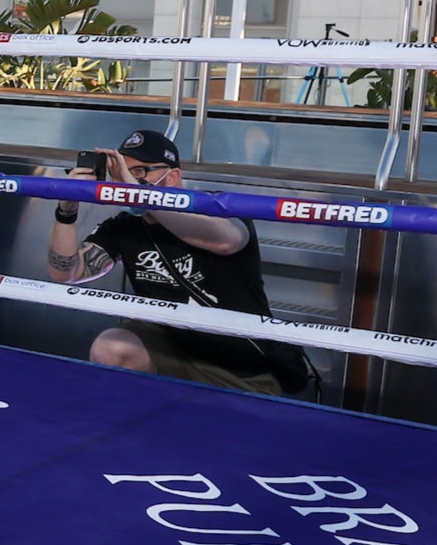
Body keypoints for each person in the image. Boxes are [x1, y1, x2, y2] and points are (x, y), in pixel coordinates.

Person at [48, 129, 316, 395]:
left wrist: (143, 200)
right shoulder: (125, 225)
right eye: (123, 172)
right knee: (112, 348)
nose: (127, 181)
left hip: (239, 366)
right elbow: (67, 272)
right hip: (170, 347)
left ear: (172, 176)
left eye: (139, 172)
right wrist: (67, 210)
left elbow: (225, 240)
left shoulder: (213, 205)